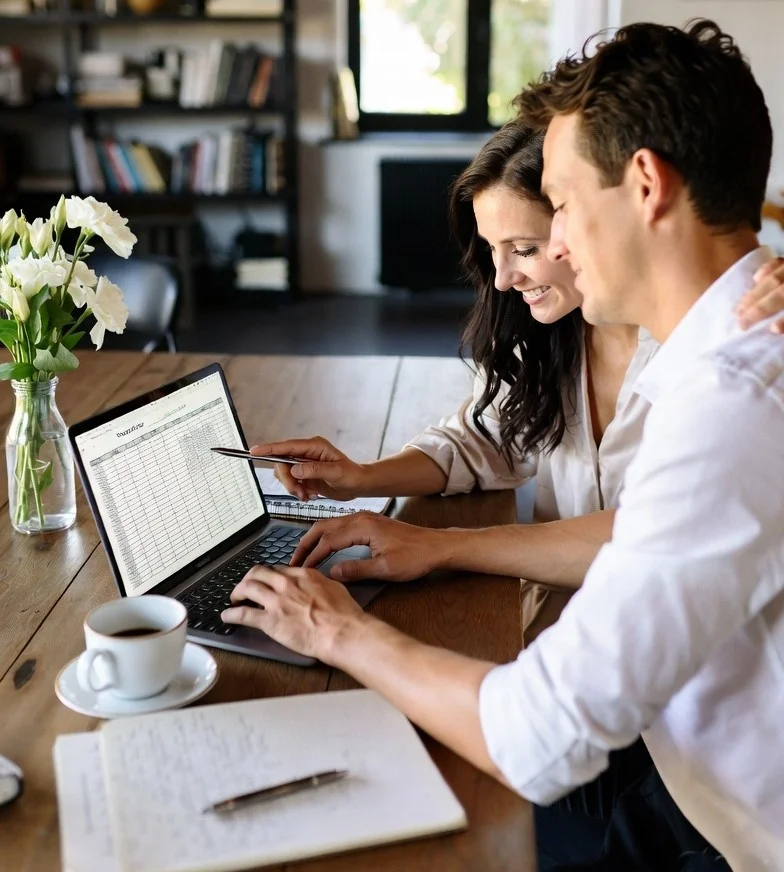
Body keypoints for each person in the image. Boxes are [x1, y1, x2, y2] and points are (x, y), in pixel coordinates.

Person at [222, 19, 784, 871]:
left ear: (644, 186)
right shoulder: (730, 359)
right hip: (671, 747)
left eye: (559, 205)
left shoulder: (729, 402)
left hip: (722, 822)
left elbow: (541, 734)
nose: (551, 247)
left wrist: (338, 631)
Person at [250, 128, 784, 646]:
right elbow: (482, 438)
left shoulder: (722, 355)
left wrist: (438, 547)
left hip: (669, 667)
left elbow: (655, 532)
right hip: (564, 638)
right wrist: (361, 477)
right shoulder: (554, 334)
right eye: (492, 250)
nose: (504, 278)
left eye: (525, 249)